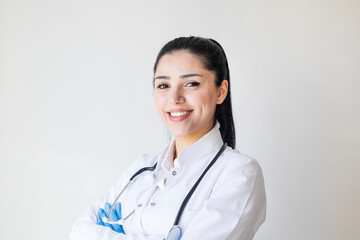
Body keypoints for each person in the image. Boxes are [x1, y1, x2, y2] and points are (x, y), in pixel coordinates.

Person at [70, 36, 266, 240]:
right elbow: (78, 231)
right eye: (163, 85)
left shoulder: (239, 172)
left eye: (191, 83)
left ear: (220, 91)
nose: (175, 98)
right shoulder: (140, 168)